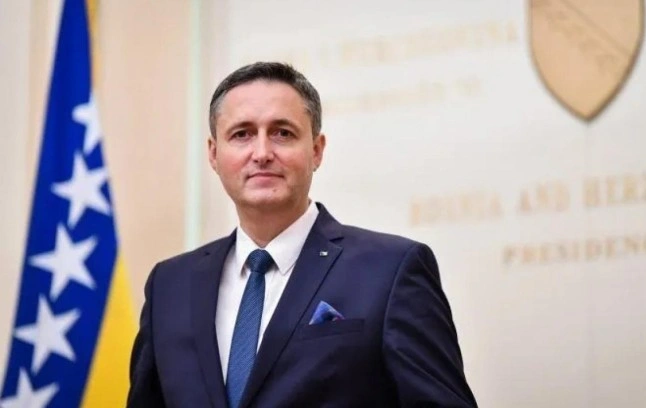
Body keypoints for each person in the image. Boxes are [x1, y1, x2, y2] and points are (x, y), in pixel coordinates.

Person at [127, 62, 477, 408]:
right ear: (214, 154)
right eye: (242, 134)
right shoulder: (169, 286)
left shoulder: (390, 270)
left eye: (282, 133)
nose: (262, 153)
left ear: (317, 150)